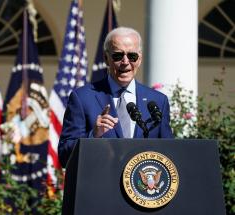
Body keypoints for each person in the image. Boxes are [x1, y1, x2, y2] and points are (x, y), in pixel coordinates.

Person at [58, 27, 173, 168]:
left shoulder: (158, 101)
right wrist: (94, 135)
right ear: (106, 58)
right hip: (100, 186)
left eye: (132, 56)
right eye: (118, 56)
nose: (125, 62)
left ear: (140, 59)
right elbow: (64, 155)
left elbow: (169, 153)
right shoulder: (82, 98)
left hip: (142, 185)